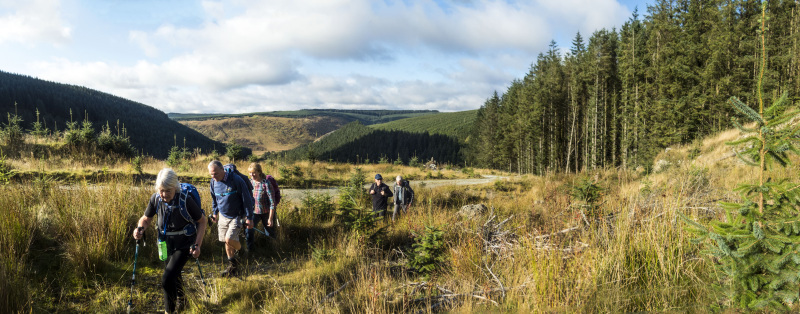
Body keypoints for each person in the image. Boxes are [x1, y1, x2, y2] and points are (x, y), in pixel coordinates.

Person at [133, 168, 207, 314]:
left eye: (168, 190)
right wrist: (140, 227)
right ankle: (182, 300)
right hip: (165, 243)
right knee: (174, 274)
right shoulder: (155, 198)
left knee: (167, 278)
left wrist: (197, 245)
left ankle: (169, 311)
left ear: (175, 187)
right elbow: (146, 218)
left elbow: (202, 221)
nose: (164, 194)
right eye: (161, 190)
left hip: (184, 243)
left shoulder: (186, 200)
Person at [208, 160, 254, 277]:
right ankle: (232, 267)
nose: (214, 177)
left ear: (222, 170)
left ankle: (243, 253)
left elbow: (247, 199)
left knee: (229, 239)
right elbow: (215, 199)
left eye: (216, 174)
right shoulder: (213, 183)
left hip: (237, 215)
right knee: (226, 241)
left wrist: (249, 217)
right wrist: (215, 213)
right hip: (223, 215)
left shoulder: (235, 180)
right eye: (211, 174)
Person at [246, 162, 276, 252]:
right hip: (254, 213)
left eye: (254, 172)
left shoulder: (266, 184)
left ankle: (272, 250)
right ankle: (250, 251)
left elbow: (272, 203)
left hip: (266, 213)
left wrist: (270, 219)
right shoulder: (250, 182)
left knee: (270, 233)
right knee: (249, 231)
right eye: (250, 173)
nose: (252, 175)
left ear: (259, 172)